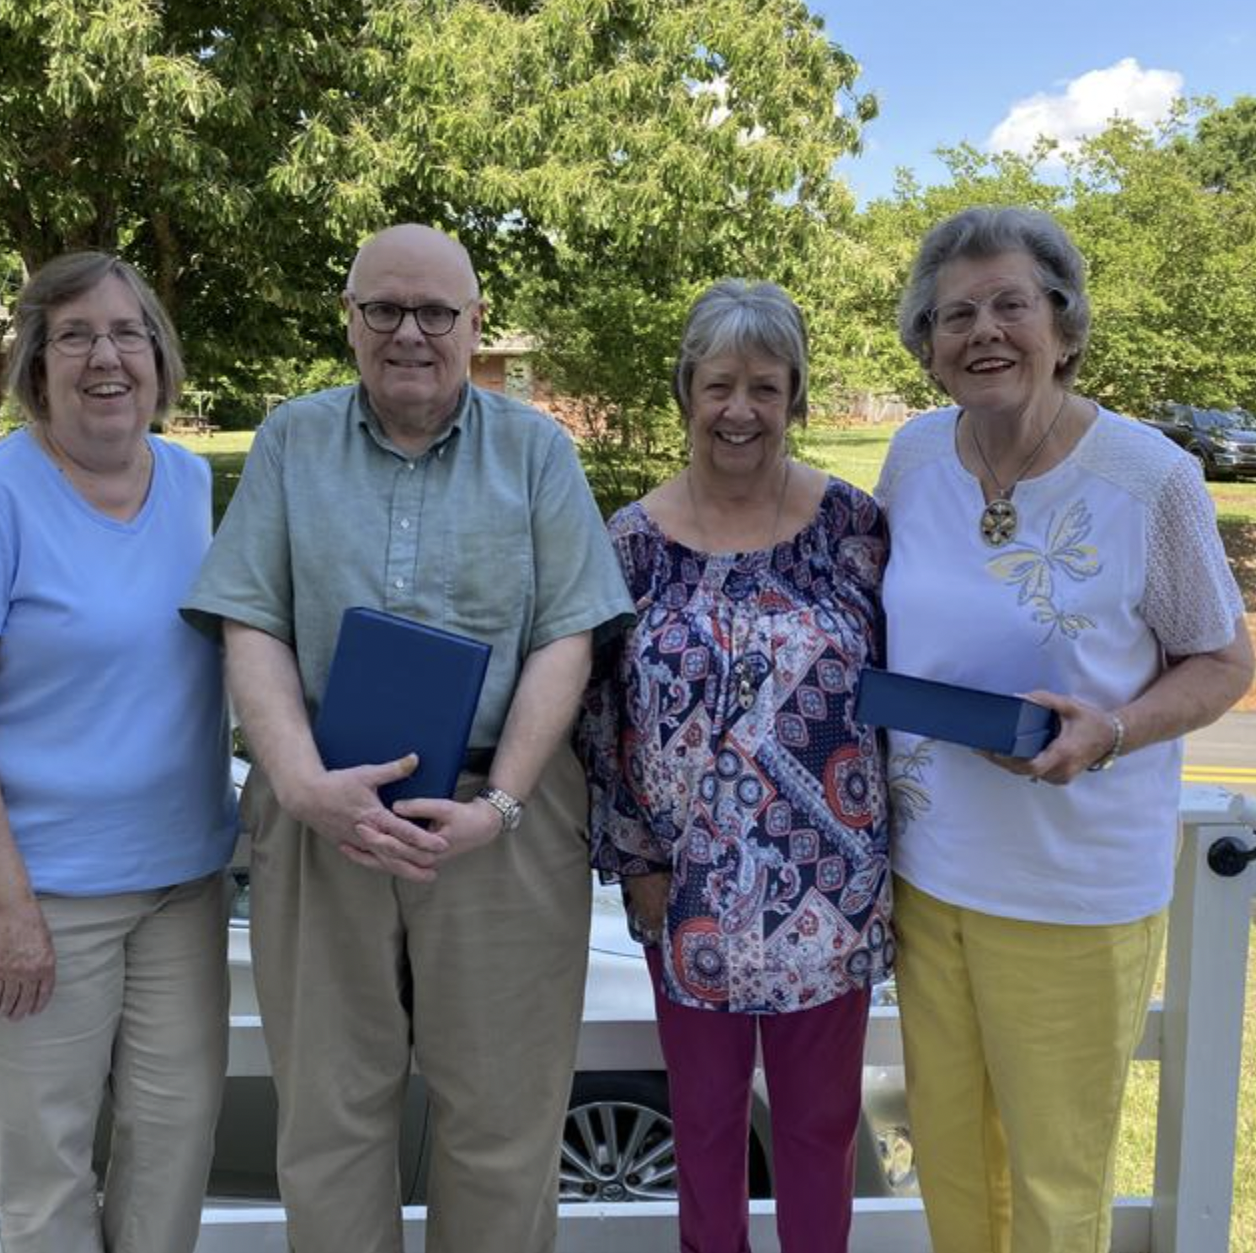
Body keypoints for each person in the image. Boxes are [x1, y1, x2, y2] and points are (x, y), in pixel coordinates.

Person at [181, 223, 632, 1253]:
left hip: (499, 819)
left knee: (504, 1123)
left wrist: (502, 801)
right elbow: (250, 618)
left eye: (436, 311)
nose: (410, 333)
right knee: (331, 1117)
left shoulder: (537, 450)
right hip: (321, 812)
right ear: (349, 322)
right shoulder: (292, 440)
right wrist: (296, 782)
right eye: (383, 309)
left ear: (476, 324)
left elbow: (569, 634)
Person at [876, 205, 1255, 1253]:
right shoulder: (913, 456)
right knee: (951, 1161)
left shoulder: (1148, 478)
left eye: (1012, 303)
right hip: (930, 873)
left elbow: (1226, 657)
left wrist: (1117, 728)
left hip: (1073, 890)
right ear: (928, 344)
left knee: (1055, 1179)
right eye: (956, 313)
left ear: (1066, 324)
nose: (984, 331)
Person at [0, 251, 238, 1253]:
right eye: (76, 335)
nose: (106, 357)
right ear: (36, 365)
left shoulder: (186, 480)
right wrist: (9, 910)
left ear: (160, 359)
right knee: (46, 1176)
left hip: (177, 882)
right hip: (26, 894)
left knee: (173, 1148)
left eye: (129, 333)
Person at [578, 279, 893, 1253]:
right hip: (690, 894)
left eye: (766, 385)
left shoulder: (854, 528)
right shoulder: (630, 542)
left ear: (796, 395)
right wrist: (635, 858)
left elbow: (908, 681)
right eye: (720, 384)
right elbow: (599, 712)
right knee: (707, 1131)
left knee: (817, 1130)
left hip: (829, 894)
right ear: (686, 391)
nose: (741, 410)